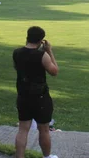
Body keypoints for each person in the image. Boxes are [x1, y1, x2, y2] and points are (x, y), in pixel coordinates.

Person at [13, 26, 59, 158]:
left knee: (23, 130)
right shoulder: (42, 55)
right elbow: (54, 71)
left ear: (27, 36)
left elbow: (18, 68)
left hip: (23, 95)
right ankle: (47, 156)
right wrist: (49, 51)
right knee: (44, 129)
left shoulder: (16, 53)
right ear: (41, 40)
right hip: (40, 97)